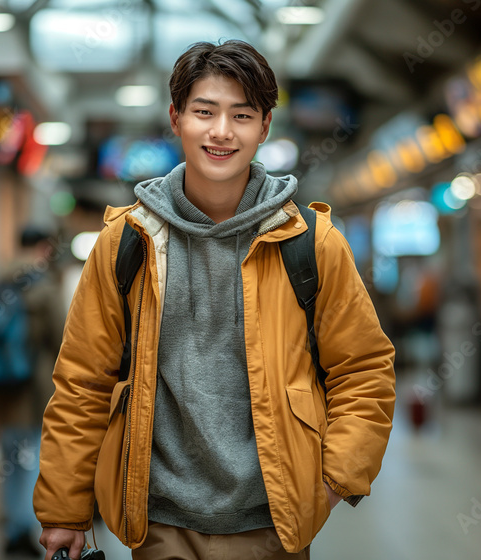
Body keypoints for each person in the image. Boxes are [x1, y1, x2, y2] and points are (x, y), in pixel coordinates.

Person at [34, 40, 396, 560]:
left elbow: (364, 369)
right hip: (158, 524)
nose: (222, 131)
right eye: (205, 111)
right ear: (176, 118)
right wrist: (64, 510)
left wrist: (332, 483)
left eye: (241, 115)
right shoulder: (127, 241)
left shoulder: (310, 242)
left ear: (265, 126)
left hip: (273, 525)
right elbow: (83, 382)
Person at [0, 226, 66, 556]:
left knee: (11, 460)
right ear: (43, 247)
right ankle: (25, 528)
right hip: (34, 388)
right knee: (32, 461)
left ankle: (12, 526)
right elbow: (63, 337)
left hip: (1, 388)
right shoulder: (43, 285)